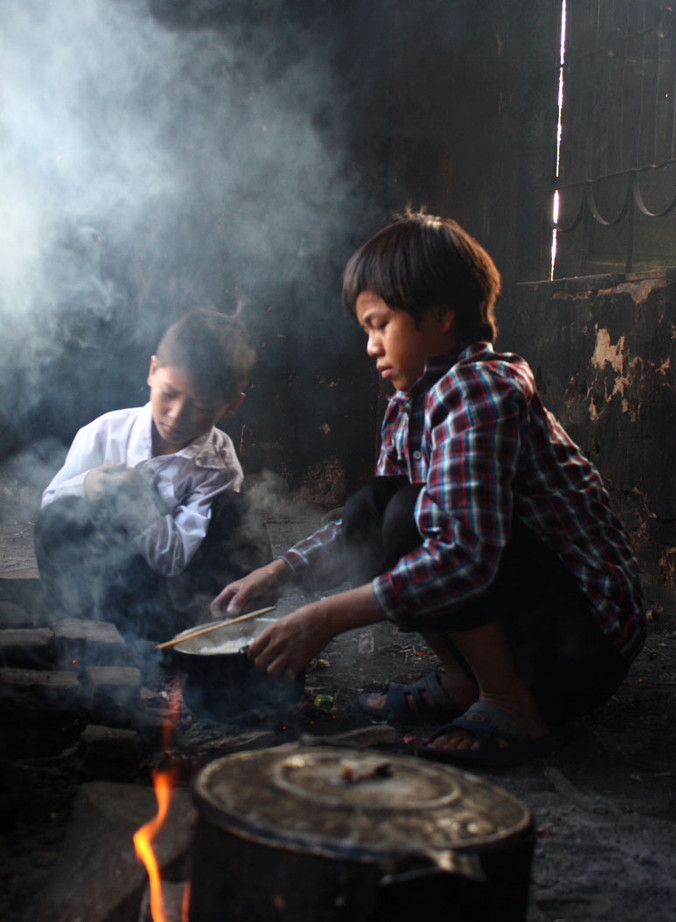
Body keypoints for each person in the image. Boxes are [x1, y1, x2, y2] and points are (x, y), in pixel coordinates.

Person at [211, 211, 646, 768]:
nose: (370, 346)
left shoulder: (481, 389)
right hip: (539, 626)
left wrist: (325, 617)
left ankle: (513, 704)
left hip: (587, 642)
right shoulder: (410, 401)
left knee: (410, 517)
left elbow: (464, 555)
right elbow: (365, 530)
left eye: (380, 325)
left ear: (440, 316)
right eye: (366, 330)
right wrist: (281, 572)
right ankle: (466, 683)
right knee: (374, 509)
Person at [35, 307, 272, 640]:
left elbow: (173, 561)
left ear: (231, 406)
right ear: (152, 371)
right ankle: (90, 634)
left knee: (237, 515)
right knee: (60, 516)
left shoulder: (217, 466)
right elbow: (50, 506)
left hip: (171, 597)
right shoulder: (105, 433)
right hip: (104, 587)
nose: (176, 415)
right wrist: (86, 485)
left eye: (200, 407)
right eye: (169, 394)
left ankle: (190, 641)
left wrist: (136, 501)